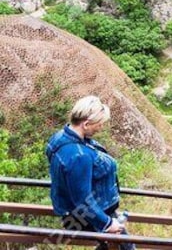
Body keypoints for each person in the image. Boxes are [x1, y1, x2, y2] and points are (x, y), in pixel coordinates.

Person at [45, 95, 136, 250]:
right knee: (126, 247)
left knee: (116, 245)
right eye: (99, 124)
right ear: (86, 124)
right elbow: (82, 200)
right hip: (87, 216)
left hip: (87, 211)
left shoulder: (60, 137)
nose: (101, 128)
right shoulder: (79, 156)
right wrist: (107, 223)